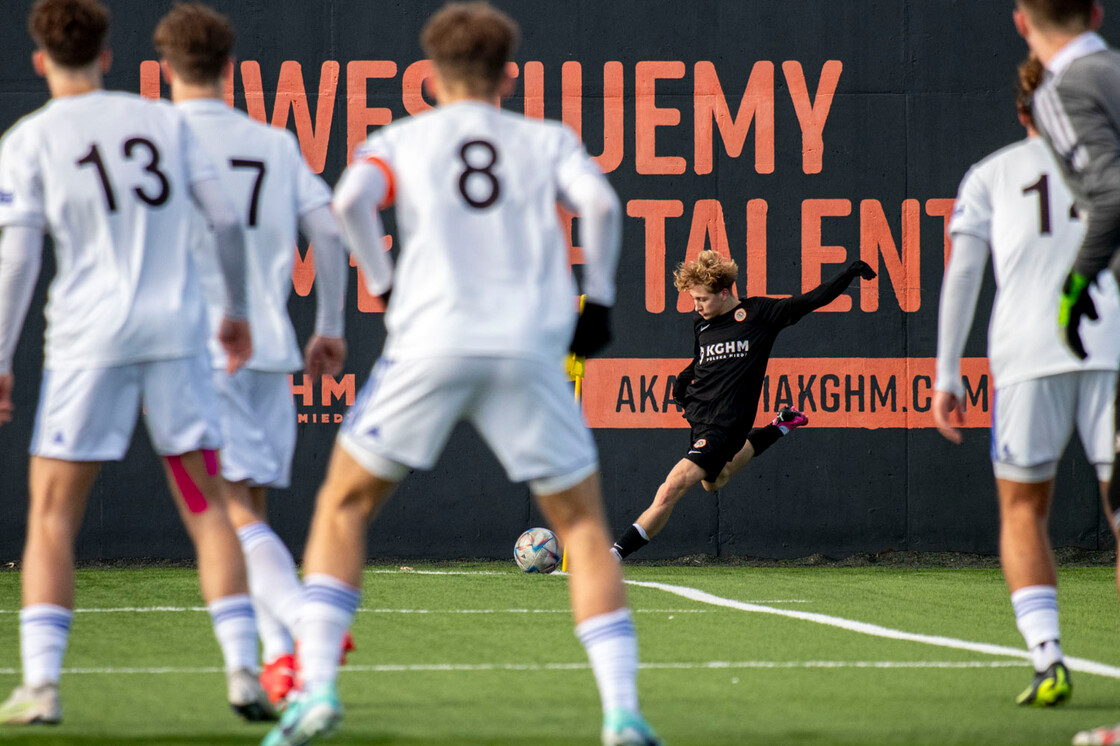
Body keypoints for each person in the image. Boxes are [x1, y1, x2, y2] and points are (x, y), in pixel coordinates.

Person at [260, 3, 661, 745]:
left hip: (430, 342)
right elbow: (601, 205)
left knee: (344, 507)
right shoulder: (545, 139)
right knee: (580, 524)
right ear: (508, 74)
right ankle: (621, 713)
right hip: (527, 349)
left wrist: (384, 283)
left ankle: (316, 689)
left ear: (431, 74)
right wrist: (598, 302)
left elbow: (350, 202)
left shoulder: (402, 139)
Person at [0, 0, 273, 725]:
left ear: (39, 59)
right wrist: (236, 312)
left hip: (90, 342)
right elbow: (223, 220)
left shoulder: (31, 138)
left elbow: (19, 256)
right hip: (176, 337)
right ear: (109, 55)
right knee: (207, 504)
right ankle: (244, 672)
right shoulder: (164, 121)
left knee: (54, 514)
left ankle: (43, 687)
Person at [153, 2, 350, 707]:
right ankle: (279, 665)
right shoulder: (273, 142)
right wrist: (328, 323)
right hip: (270, 347)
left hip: (200, 348)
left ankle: (303, 624)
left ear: (167, 67)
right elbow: (328, 234)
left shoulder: (159, 139)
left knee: (221, 509)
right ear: (230, 67)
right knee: (251, 509)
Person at [934, 54, 1120, 711]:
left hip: (1027, 356)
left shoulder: (991, 173)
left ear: (1022, 114)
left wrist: (946, 372)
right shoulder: (1112, 166)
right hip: (1113, 349)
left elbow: (963, 275)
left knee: (1022, 509)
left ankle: (1047, 658)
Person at [609, 251, 875, 561]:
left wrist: (847, 275)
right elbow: (702, 360)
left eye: (702, 299)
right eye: (693, 299)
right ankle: (778, 427)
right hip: (700, 417)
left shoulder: (760, 314)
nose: (696, 305)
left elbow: (810, 301)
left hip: (727, 423)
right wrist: (684, 378)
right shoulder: (702, 324)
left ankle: (614, 555)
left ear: (724, 293)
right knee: (714, 481)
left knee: (672, 487)